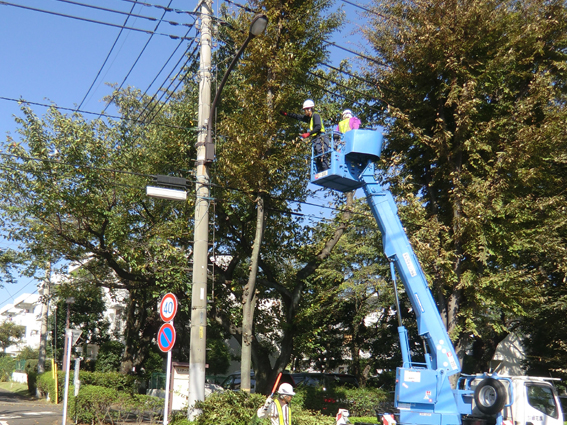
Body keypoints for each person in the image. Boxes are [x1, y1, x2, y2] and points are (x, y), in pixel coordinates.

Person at [280, 100, 330, 172]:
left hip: (321, 137)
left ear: (309, 109)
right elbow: (298, 117)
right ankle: (320, 172)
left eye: (305, 110)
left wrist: (308, 133)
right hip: (316, 139)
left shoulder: (315, 115)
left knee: (321, 154)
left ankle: (326, 171)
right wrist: (287, 114)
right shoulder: (309, 118)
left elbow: (318, 126)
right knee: (317, 157)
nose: (304, 112)